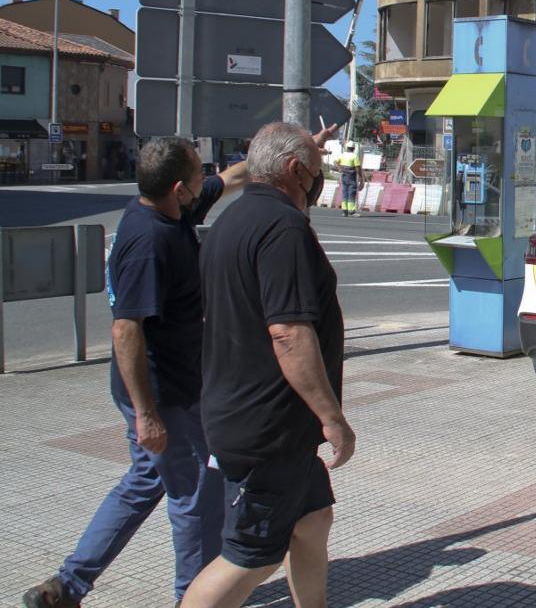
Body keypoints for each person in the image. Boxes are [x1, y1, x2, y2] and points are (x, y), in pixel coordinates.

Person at [23, 137, 247, 608]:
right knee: (193, 494)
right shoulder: (150, 241)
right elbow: (126, 331)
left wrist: (297, 143)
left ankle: (68, 585)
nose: (207, 176)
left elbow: (231, 179)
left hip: (169, 388)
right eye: (197, 173)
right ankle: (196, 598)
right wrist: (147, 415)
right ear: (180, 188)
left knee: (147, 480)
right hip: (162, 394)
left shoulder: (169, 209)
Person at [183, 122, 352, 608]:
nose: (318, 187)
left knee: (312, 521)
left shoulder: (232, 221)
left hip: (259, 418)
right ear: (294, 170)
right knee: (251, 556)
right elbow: (289, 333)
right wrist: (332, 418)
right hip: (267, 427)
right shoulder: (284, 229)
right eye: (316, 175)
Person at [335, 141, 360, 216]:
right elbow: (357, 168)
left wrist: (339, 168)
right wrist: (361, 178)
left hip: (344, 176)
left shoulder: (343, 155)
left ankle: (344, 211)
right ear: (354, 148)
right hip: (351, 177)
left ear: (347, 147)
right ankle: (351, 211)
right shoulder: (354, 156)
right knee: (351, 193)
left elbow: (335, 162)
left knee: (345, 192)